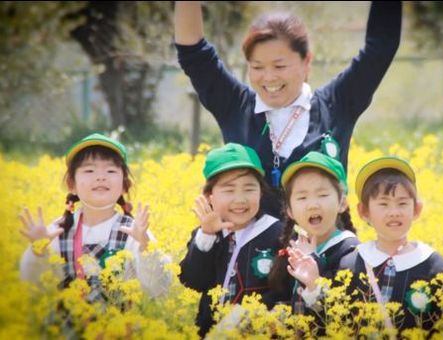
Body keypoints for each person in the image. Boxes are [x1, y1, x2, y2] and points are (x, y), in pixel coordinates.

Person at [174, 1, 401, 217]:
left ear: (306, 62)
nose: (269, 77)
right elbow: (193, 52)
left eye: (280, 66)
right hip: (250, 254)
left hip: (328, 256)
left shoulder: (338, 104)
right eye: (257, 67)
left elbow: (380, 47)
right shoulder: (234, 106)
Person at [289, 156, 443, 335]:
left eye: (402, 203)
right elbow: (331, 320)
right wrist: (313, 285)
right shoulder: (351, 262)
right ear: (364, 212)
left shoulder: (433, 265)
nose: (394, 212)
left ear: (416, 209)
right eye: (383, 204)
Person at [19, 133, 172, 301]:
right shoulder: (57, 232)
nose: (101, 177)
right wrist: (38, 251)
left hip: (122, 327)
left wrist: (145, 246)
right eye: (89, 170)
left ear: (124, 185)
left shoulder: (134, 232)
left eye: (111, 170)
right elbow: (31, 287)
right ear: (72, 184)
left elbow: (159, 289)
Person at [179, 143, 283, 337]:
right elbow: (193, 282)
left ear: (261, 192)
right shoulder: (205, 234)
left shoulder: (277, 234)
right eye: (229, 190)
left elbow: (284, 291)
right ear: (210, 197)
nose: (240, 199)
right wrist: (207, 235)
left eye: (249, 189)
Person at [267, 151, 359, 334]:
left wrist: (314, 278)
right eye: (302, 197)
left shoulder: (351, 254)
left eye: (322, 195)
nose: (312, 205)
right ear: (290, 211)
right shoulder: (296, 247)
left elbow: (342, 319)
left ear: (342, 203)